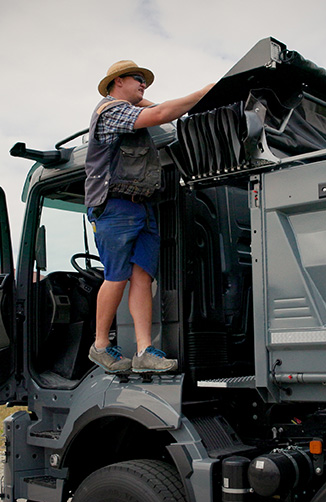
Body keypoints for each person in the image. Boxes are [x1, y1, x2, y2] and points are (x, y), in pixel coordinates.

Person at [85, 59, 213, 373]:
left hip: (142, 206)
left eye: (145, 80)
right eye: (138, 78)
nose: (144, 84)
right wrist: (204, 94)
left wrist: (146, 97)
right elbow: (158, 114)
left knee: (142, 277)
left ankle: (144, 351)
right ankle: (100, 345)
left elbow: (155, 108)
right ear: (117, 81)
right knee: (116, 277)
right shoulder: (110, 110)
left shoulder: (130, 109)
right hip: (115, 206)